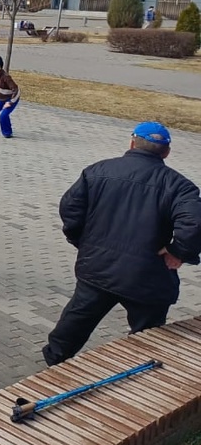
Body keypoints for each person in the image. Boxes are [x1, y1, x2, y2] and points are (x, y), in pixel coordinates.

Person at [43, 122, 201, 366]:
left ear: (132, 143)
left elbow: (70, 209)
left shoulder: (97, 171)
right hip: (147, 275)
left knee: (78, 317)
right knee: (147, 333)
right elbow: (194, 222)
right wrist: (178, 251)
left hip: (98, 267)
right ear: (167, 152)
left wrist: (82, 241)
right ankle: (140, 367)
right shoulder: (179, 186)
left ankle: (55, 359)